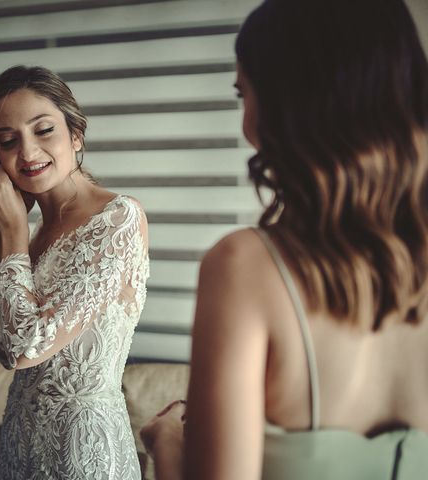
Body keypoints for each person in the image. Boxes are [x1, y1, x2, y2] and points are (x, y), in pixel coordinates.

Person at [140, 0, 428, 479]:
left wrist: (166, 441)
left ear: (288, 104)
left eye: (242, 94)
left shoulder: (245, 266)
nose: (246, 124)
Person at [0, 65, 149, 479]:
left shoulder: (117, 218)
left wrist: (12, 233)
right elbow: (6, 347)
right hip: (18, 441)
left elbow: (29, 346)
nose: (27, 153)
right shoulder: (35, 234)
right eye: (9, 141)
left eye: (43, 130)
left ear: (75, 135)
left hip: (84, 449)